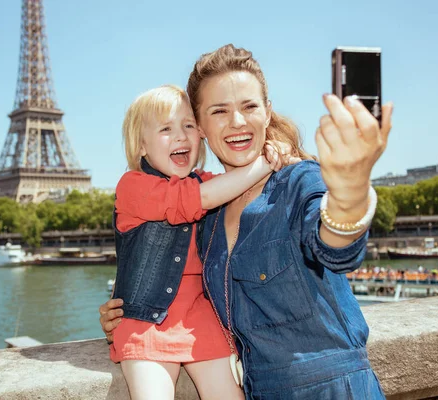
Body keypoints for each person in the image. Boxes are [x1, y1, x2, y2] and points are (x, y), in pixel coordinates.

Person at [101, 44, 393, 399]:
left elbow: (334, 249)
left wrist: (350, 192)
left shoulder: (298, 180)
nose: (237, 122)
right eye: (219, 111)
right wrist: (128, 306)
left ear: (267, 113)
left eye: (250, 106)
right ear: (203, 127)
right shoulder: (209, 216)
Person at [110, 84, 296, 400]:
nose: (181, 136)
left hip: (202, 321)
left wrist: (279, 150)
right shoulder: (133, 186)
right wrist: (264, 163)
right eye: (166, 129)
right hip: (145, 324)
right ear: (140, 145)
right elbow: (197, 200)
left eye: (189, 126)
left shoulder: (212, 183)